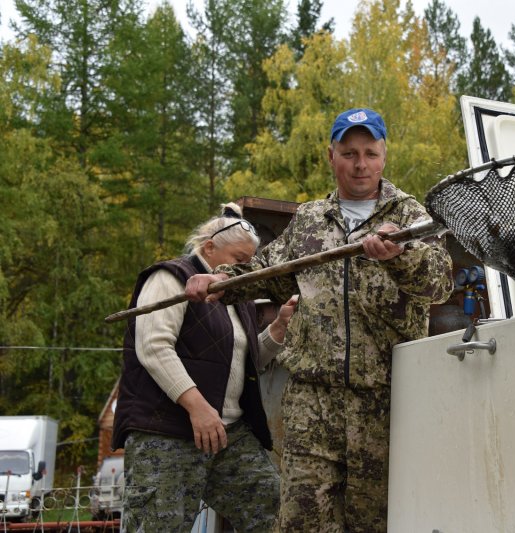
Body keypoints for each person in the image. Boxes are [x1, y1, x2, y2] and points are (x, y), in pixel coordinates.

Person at [184, 108, 454, 532]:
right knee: (300, 523)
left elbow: (439, 285)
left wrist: (402, 258)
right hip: (313, 405)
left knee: (376, 522)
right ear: (332, 156)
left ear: (384, 155)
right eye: (349, 153)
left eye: (369, 153)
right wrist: (217, 281)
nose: (360, 164)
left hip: (384, 404)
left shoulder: (410, 217)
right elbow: (266, 273)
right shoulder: (309, 220)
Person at [112, 202, 298, 532]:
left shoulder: (237, 297)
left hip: (228, 434)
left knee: (277, 513)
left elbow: (247, 362)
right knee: (158, 526)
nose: (246, 269)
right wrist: (197, 407)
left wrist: (277, 330)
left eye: (250, 263)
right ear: (209, 247)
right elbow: (153, 346)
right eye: (240, 260)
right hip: (167, 432)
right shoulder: (170, 276)